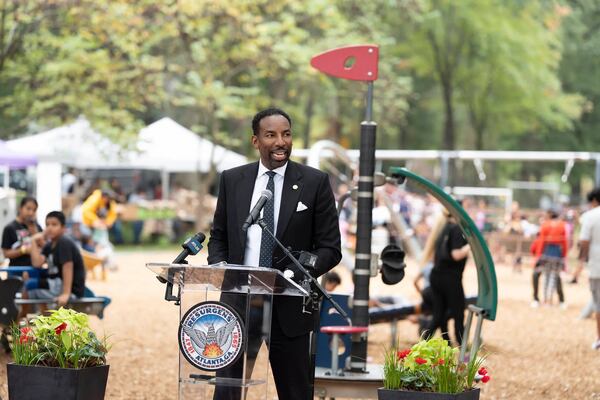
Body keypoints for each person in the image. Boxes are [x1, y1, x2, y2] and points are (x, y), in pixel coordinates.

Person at [208, 107, 341, 400]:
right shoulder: (232, 179)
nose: (281, 141)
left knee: (294, 392)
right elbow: (218, 235)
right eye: (271, 135)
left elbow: (330, 248)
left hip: (289, 306)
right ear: (256, 141)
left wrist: (292, 275)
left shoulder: (315, 182)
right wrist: (219, 268)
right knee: (228, 391)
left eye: (286, 134)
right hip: (238, 303)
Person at [423, 209, 470, 346]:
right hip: (450, 279)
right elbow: (456, 254)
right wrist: (470, 247)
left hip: (436, 276)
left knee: (438, 315)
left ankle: (424, 344)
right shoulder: (456, 229)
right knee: (458, 314)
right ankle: (462, 347)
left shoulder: (442, 228)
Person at [28, 211, 86, 308]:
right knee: (29, 280)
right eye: (47, 225)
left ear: (63, 228)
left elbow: (68, 267)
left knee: (31, 285)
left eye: (54, 225)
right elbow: (37, 263)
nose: (50, 228)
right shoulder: (49, 245)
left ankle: (22, 316)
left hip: (70, 289)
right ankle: (41, 315)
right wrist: (33, 241)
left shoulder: (64, 242)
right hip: (56, 283)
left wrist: (66, 294)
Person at [577, 188, 600, 350]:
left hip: (597, 265)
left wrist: (580, 263)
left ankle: (599, 338)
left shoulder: (590, 216)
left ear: (593, 201)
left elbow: (584, 242)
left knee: (598, 304)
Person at [534, 209, 567, 307]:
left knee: (546, 276)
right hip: (557, 253)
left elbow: (541, 241)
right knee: (553, 277)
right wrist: (563, 255)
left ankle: (545, 299)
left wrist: (539, 255)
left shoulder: (545, 225)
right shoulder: (562, 225)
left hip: (546, 252)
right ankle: (549, 299)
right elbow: (564, 242)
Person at [2, 197, 43, 272]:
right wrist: (24, 250)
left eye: (34, 210)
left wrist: (35, 233)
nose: (31, 213)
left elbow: (44, 247)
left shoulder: (37, 226)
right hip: (17, 270)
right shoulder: (10, 228)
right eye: (28, 208)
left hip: (35, 270)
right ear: (20, 208)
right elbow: (6, 253)